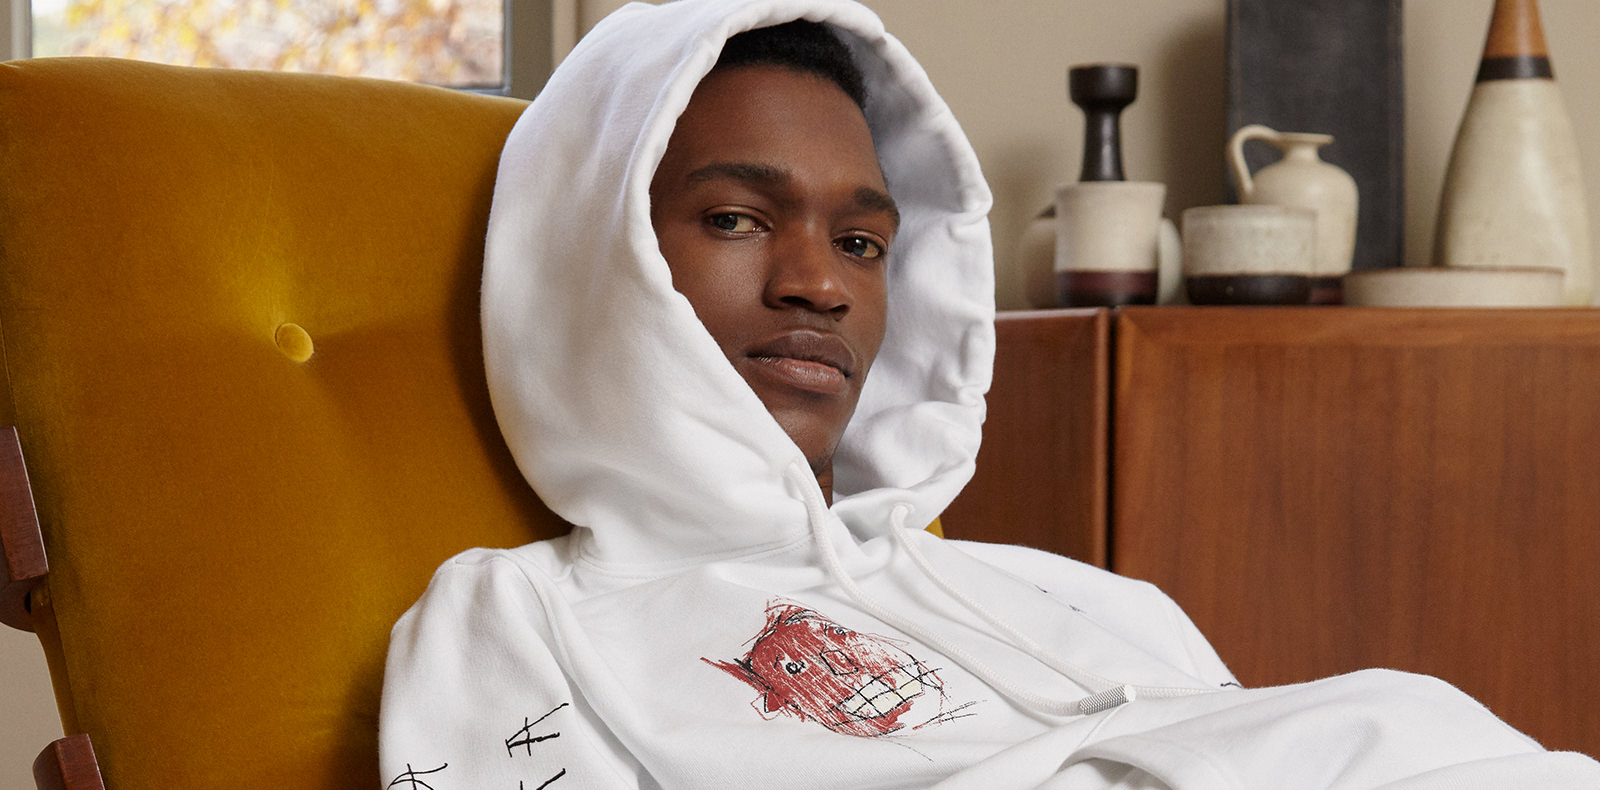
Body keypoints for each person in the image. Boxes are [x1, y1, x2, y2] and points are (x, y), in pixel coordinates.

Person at [379, 1, 1600, 787]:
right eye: (738, 219)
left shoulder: (1085, 598)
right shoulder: (515, 620)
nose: (819, 283)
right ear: (593, 258)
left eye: (862, 242)